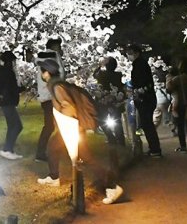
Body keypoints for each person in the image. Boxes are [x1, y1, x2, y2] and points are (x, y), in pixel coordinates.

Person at [37, 59, 124, 206]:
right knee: (54, 148)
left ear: (47, 72)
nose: (41, 74)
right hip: (71, 126)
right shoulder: (58, 84)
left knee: (84, 157)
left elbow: (67, 105)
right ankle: (53, 177)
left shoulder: (57, 87)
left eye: (42, 71)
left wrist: (68, 126)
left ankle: (112, 186)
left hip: (71, 127)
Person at [30, 38, 64, 162]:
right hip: (52, 96)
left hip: (46, 96)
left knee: (51, 125)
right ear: (54, 47)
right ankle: (42, 152)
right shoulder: (53, 56)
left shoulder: (43, 57)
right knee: (52, 126)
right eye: (59, 47)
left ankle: (45, 151)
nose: (60, 49)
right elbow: (60, 75)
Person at [127, 44, 161, 157]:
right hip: (147, 98)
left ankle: (155, 149)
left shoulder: (139, 65)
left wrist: (138, 91)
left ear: (137, 53)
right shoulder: (140, 64)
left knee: (147, 124)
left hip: (144, 99)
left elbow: (144, 83)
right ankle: (154, 148)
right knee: (147, 124)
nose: (129, 55)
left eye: (131, 53)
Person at [165, 55, 187, 152]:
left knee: (180, 126)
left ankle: (183, 147)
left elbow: (169, 89)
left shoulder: (177, 79)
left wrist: (168, 79)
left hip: (179, 104)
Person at [0, 50, 24, 160]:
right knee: (17, 126)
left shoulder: (3, 72)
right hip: (8, 103)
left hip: (6, 102)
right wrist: (21, 89)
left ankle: (8, 150)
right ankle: (7, 149)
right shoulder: (8, 72)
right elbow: (10, 88)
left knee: (13, 126)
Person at [92, 57, 126, 146]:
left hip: (103, 101)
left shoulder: (102, 74)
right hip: (115, 100)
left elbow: (94, 74)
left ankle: (111, 138)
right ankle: (121, 142)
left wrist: (99, 65)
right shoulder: (118, 75)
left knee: (101, 120)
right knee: (118, 122)